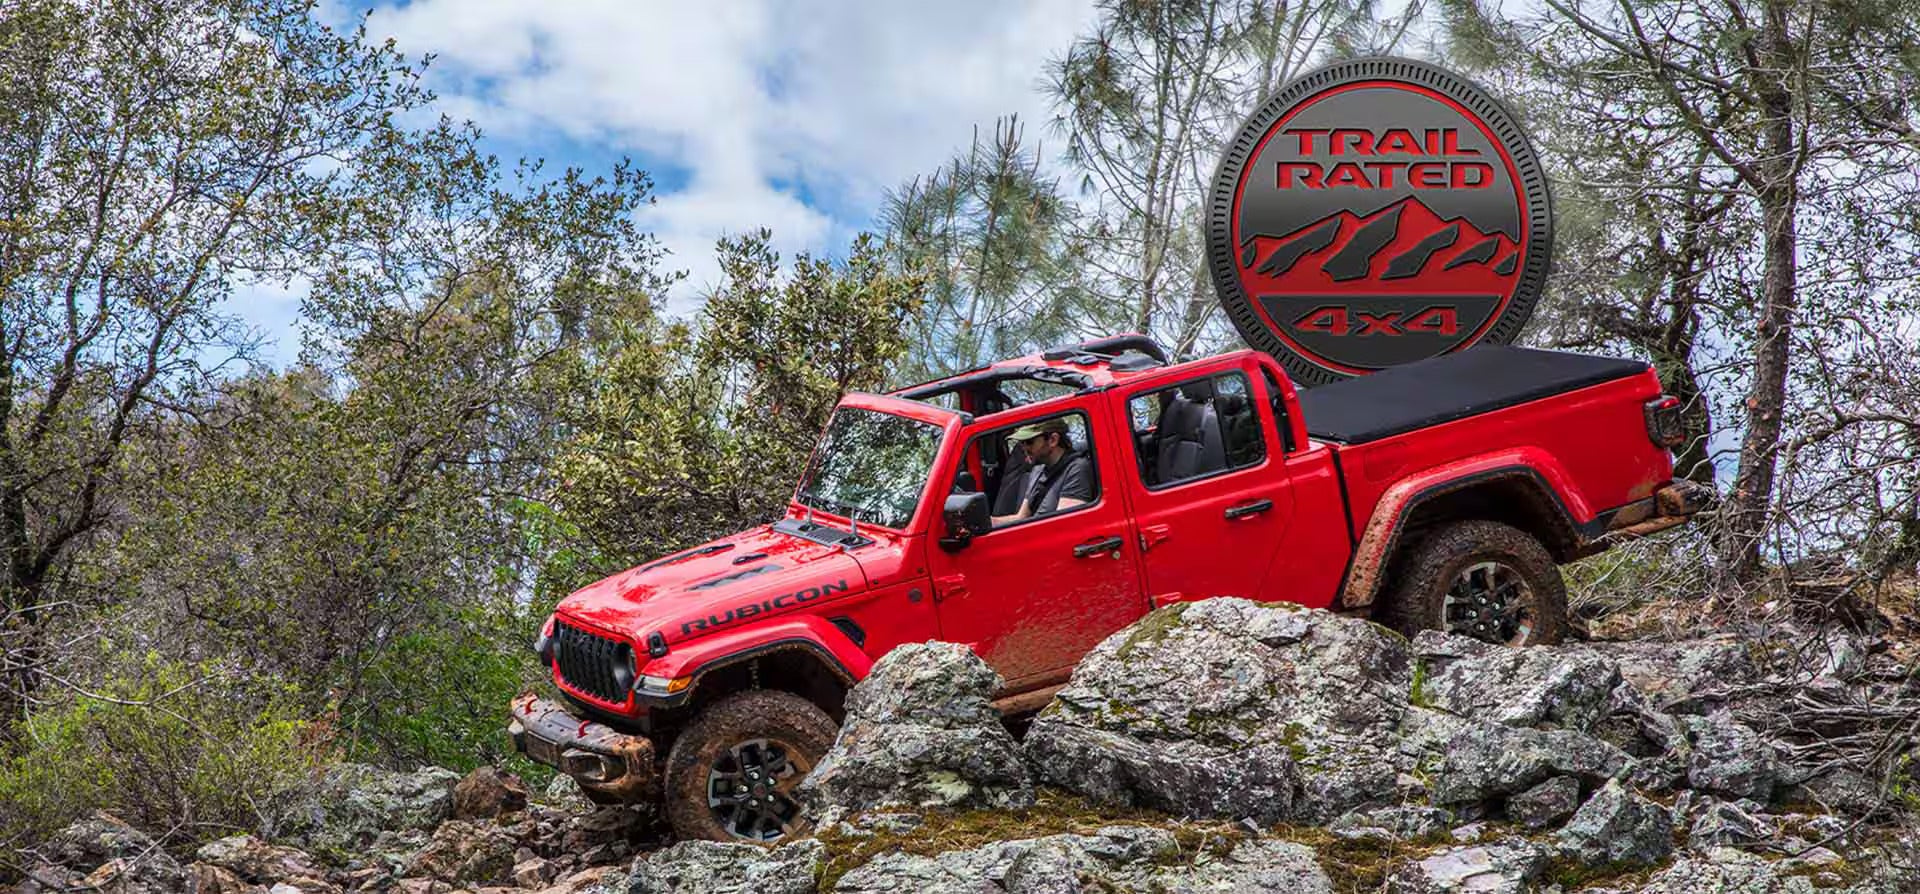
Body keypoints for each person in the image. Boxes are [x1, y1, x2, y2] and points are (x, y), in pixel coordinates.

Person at [992, 417, 1094, 526]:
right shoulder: (1038, 471)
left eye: (1029, 442)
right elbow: (1021, 517)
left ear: (1052, 440)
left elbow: (1064, 524)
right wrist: (988, 522)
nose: (1024, 448)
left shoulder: (1077, 469)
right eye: (1021, 443)